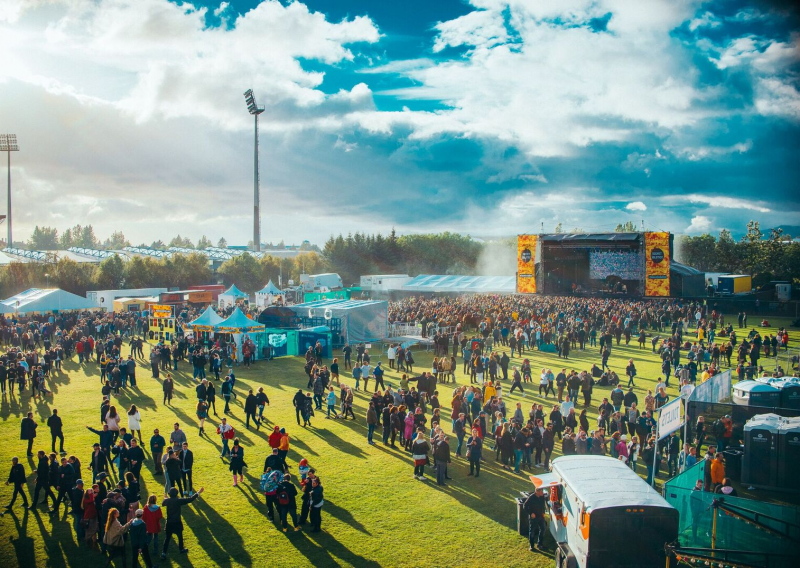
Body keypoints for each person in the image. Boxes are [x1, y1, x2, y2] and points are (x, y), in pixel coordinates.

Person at [161, 486, 204, 559]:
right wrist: (198, 492)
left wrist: (166, 498)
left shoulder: (167, 501)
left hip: (169, 522)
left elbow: (163, 503)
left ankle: (163, 553)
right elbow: (190, 499)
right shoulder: (178, 501)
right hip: (177, 522)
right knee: (180, 536)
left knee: (167, 538)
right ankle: (181, 549)